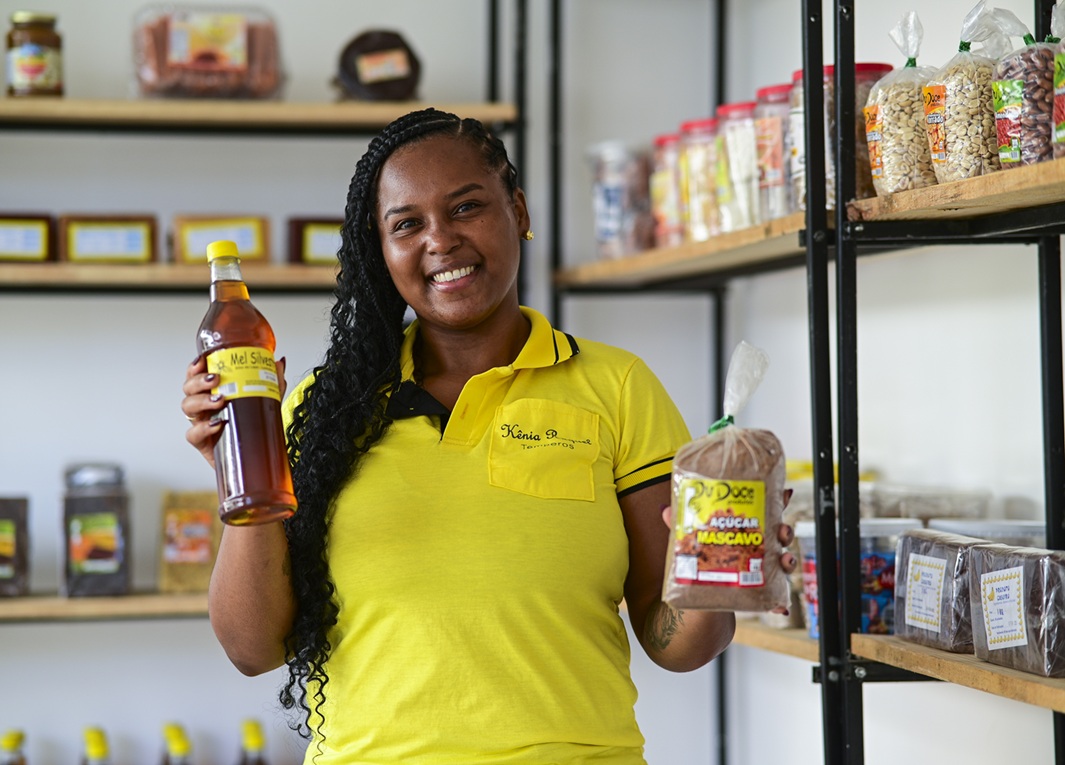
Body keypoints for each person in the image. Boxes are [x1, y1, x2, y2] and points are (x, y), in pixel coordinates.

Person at [182, 107, 795, 764]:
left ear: (518, 210)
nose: (440, 240)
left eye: (466, 207)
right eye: (406, 224)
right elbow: (252, 649)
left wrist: (721, 571)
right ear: (381, 251)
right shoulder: (323, 409)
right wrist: (241, 469)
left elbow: (675, 645)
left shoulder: (618, 387)